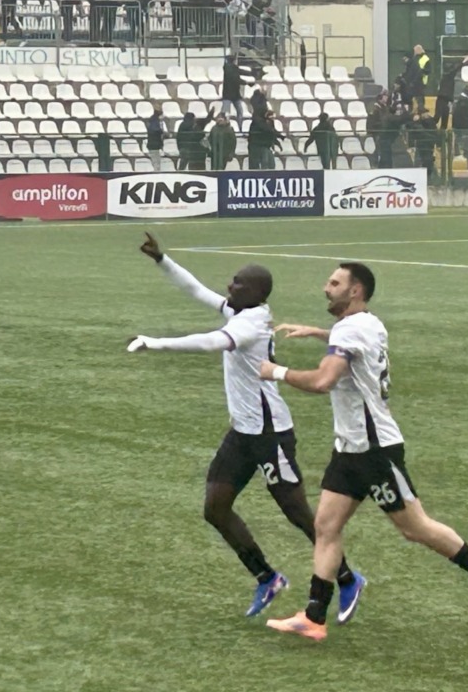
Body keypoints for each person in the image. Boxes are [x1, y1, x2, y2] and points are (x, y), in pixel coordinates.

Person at [260, 263, 468, 640]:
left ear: (355, 291)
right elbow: (352, 342)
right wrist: (319, 333)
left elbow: (324, 380)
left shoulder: (351, 330)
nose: (325, 288)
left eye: (334, 283)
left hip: (374, 450)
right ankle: (314, 616)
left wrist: (275, 371)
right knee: (326, 527)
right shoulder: (370, 324)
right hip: (349, 448)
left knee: (414, 527)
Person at [128, 234, 366, 619]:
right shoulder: (240, 312)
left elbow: (212, 343)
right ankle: (266, 577)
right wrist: (162, 260)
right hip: (242, 433)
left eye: (239, 283)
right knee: (215, 508)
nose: (230, 285)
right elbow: (197, 291)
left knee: (297, 512)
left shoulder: (251, 323)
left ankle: (347, 578)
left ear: (256, 293)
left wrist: (153, 343)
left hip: (270, 434)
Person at [402, 44, 431, 110]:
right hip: (415, 81)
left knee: (419, 97)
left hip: (421, 81)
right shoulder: (414, 59)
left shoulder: (425, 59)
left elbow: (428, 70)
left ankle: (420, 109)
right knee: (417, 97)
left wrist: (421, 72)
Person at [221, 55, 246, 123]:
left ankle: (235, 125)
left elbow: (241, 72)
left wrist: (251, 73)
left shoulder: (230, 68)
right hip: (231, 94)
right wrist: (245, 82)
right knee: (237, 111)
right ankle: (236, 125)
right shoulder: (230, 69)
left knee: (228, 112)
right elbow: (236, 79)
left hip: (230, 94)